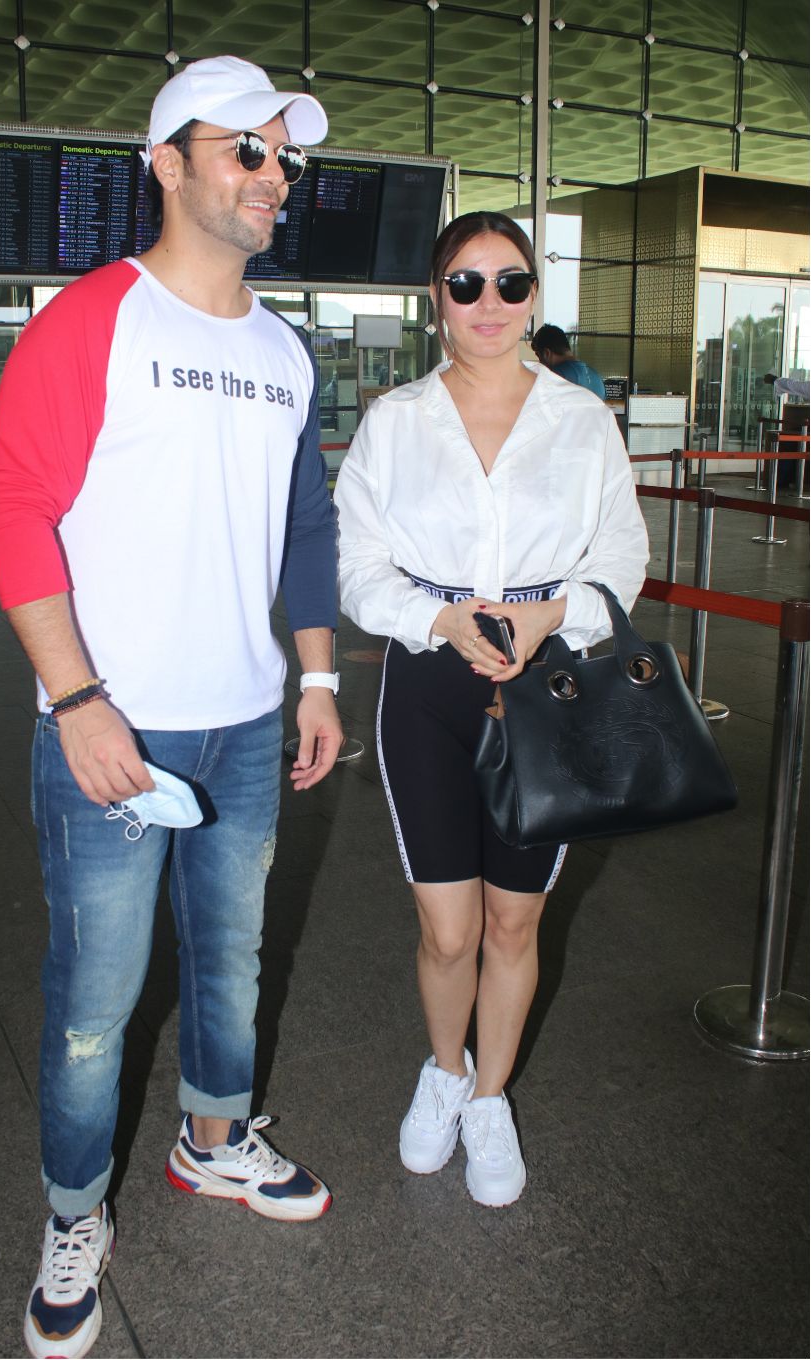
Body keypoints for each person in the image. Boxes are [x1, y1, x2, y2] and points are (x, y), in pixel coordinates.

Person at [0, 55, 342, 1360]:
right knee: (96, 1000)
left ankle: (210, 1141)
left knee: (233, 962)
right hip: (111, 728)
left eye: (282, 155)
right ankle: (74, 1213)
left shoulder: (284, 351)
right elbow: (12, 505)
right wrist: (77, 700)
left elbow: (303, 527)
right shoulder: (94, 320)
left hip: (245, 725)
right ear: (166, 162)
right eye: (244, 148)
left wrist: (315, 676)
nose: (271, 175)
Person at [334, 211, 648, 1209]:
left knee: (514, 922)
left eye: (509, 283)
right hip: (428, 683)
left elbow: (621, 555)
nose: (488, 303)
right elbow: (357, 566)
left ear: (531, 296)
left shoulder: (580, 420)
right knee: (446, 930)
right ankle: (444, 1068)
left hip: (545, 685)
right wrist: (436, 618)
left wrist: (554, 612)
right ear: (436, 299)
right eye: (464, 283)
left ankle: (488, 1095)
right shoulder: (395, 421)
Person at [531, 322, 607, 399]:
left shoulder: (556, 376)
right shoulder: (597, 378)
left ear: (546, 353)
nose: (540, 362)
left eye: (539, 356)